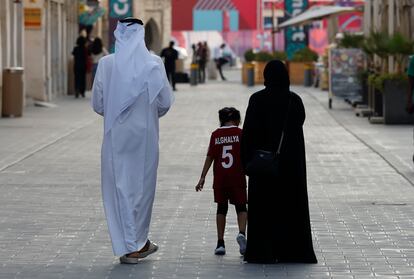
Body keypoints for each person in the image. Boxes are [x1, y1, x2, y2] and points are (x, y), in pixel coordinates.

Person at [91, 17, 174, 264]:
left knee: (118, 188)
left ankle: (131, 246)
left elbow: (97, 104)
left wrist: (117, 112)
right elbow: (165, 103)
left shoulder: (106, 64)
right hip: (146, 137)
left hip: (116, 137)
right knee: (142, 189)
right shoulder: (154, 63)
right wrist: (147, 114)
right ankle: (137, 242)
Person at [241, 60, 317, 264]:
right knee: (290, 208)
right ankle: (292, 251)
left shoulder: (257, 99)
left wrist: (246, 163)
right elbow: (299, 123)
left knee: (264, 210)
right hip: (290, 167)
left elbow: (247, 134)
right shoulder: (295, 100)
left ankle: (263, 251)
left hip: (264, 167)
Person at [195, 107, 248, 256]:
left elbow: (210, 156)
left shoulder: (216, 135)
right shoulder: (240, 133)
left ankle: (220, 243)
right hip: (237, 176)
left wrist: (202, 177)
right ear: (237, 120)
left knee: (221, 208)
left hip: (221, 178)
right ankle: (242, 233)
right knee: (241, 207)